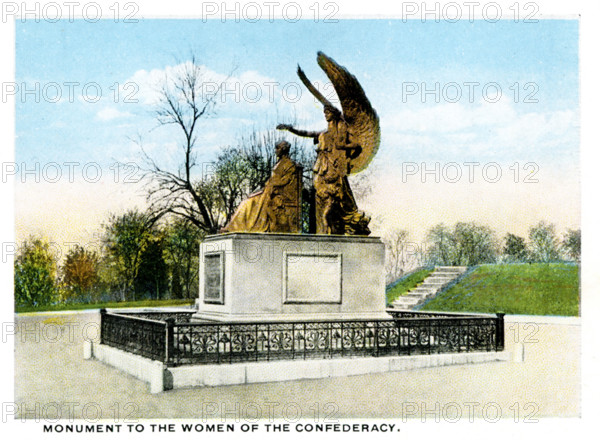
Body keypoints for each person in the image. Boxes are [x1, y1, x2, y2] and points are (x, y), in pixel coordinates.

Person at [277, 106, 370, 235]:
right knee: (320, 196)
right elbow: (306, 133)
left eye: (328, 112)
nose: (325, 115)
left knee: (338, 197)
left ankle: (342, 223)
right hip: (321, 168)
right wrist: (291, 128)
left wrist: (343, 147)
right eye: (324, 112)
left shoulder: (341, 133)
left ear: (334, 114)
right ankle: (324, 228)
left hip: (335, 169)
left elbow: (357, 146)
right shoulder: (323, 134)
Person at [221, 140, 302, 233]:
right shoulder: (278, 163)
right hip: (268, 190)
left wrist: (273, 185)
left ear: (283, 150)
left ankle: (237, 227)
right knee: (246, 202)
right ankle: (232, 227)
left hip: (275, 192)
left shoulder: (289, 164)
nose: (276, 151)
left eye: (278, 148)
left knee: (248, 203)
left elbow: (287, 180)